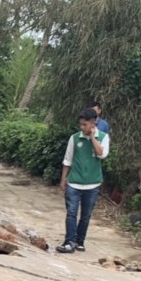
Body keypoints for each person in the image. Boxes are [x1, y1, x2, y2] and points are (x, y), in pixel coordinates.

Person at [56, 108, 109, 254]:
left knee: (85, 215)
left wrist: (93, 138)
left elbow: (101, 154)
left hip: (93, 184)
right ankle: (69, 242)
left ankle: (80, 241)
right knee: (71, 213)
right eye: (81, 124)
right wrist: (63, 180)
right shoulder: (74, 138)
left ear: (94, 123)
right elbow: (67, 160)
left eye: (85, 124)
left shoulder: (103, 137)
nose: (82, 127)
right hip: (74, 182)